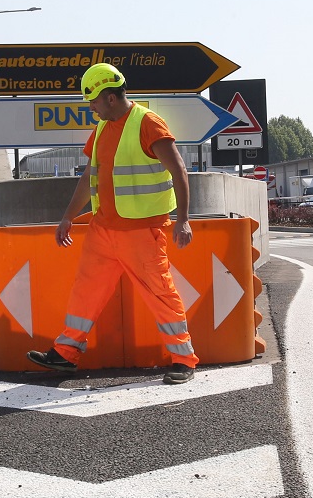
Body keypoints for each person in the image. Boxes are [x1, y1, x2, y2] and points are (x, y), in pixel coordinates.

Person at [27, 63, 198, 384]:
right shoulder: (103, 129)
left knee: (160, 294)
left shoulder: (147, 124)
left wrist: (184, 219)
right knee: (85, 292)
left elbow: (179, 170)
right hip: (103, 230)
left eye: (92, 101)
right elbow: (88, 178)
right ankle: (66, 354)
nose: (90, 108)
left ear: (109, 97)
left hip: (141, 232)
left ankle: (183, 359)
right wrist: (67, 216)